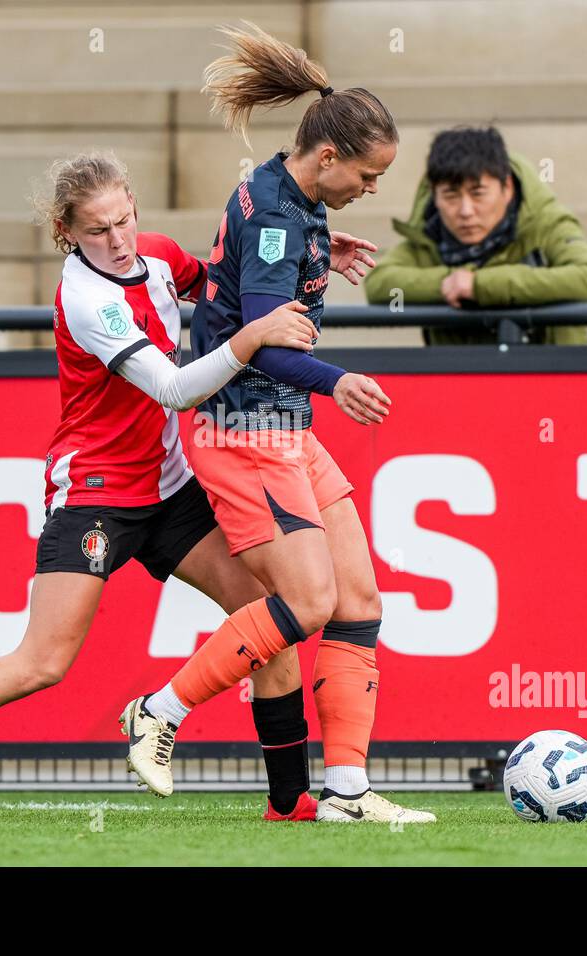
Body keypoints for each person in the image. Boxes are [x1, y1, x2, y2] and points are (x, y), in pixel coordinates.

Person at [0, 152, 319, 823]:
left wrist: (304, 260)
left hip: (169, 490)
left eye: (122, 221)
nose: (116, 241)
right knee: (41, 662)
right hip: (96, 495)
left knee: (266, 621)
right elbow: (173, 389)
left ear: (135, 203)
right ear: (66, 233)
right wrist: (256, 336)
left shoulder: (159, 255)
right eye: (96, 232)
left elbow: (224, 289)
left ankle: (291, 804)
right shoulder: (88, 300)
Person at [120, 23, 435, 824]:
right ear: (327, 158)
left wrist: (319, 251)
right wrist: (340, 381)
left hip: (283, 429)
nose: (372, 187)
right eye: (368, 174)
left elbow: (254, 279)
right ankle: (160, 708)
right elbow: (255, 342)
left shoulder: (286, 199)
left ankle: (348, 792)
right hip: (245, 430)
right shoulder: (276, 220)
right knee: (307, 604)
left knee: (358, 599)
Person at [363, 126, 587, 344]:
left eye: (478, 193)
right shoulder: (430, 232)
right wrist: (449, 283)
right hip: (461, 384)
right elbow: (380, 282)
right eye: (451, 196)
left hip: (552, 379)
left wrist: (480, 285)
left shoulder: (546, 222)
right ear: (434, 195)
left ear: (507, 188)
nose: (466, 211)